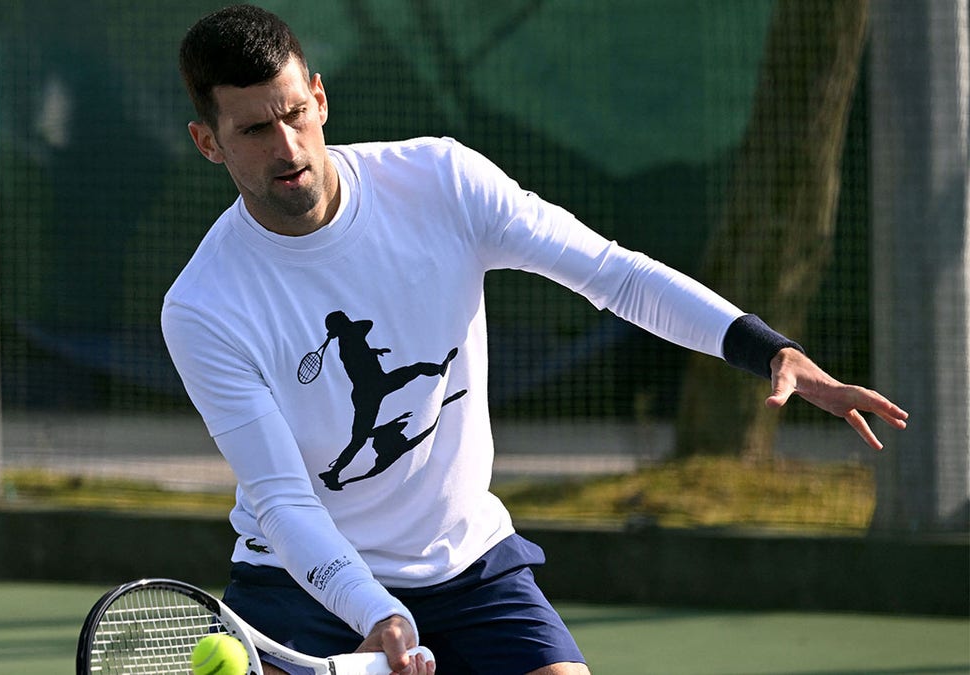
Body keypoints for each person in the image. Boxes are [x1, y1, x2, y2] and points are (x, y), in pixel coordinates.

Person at [161, 5, 909, 674]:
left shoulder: (441, 182)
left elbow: (615, 275)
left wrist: (767, 348)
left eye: (295, 113)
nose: (288, 145)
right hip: (305, 585)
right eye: (255, 130)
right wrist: (378, 614)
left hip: (470, 564)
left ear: (320, 97)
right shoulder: (204, 305)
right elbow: (286, 503)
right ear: (208, 142)